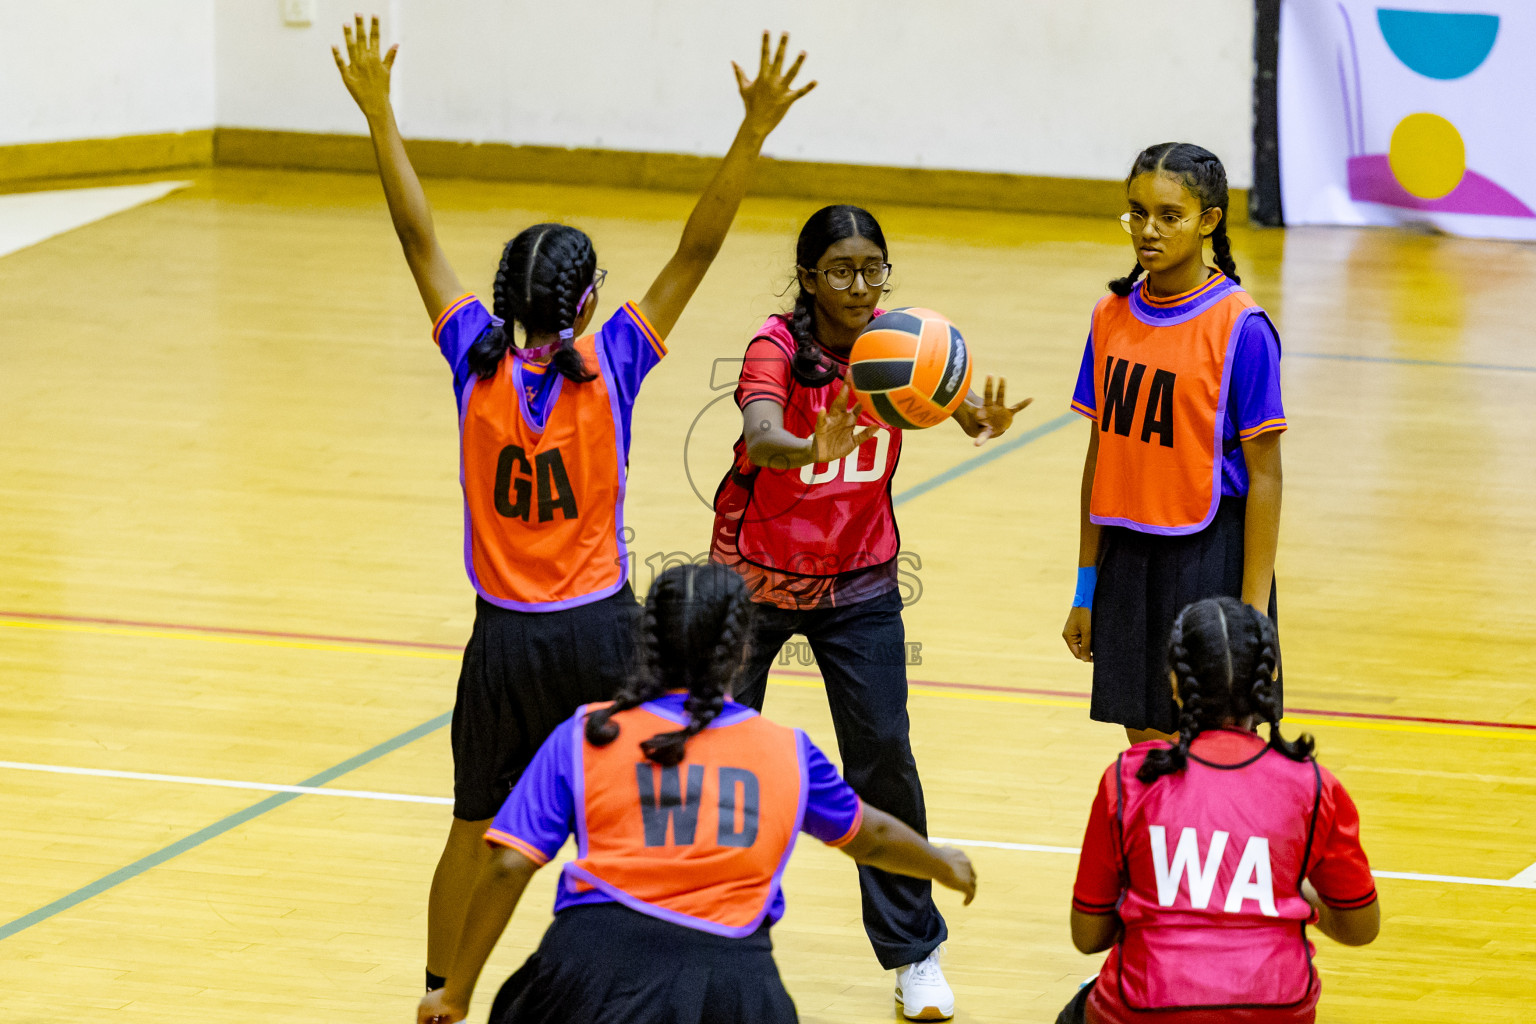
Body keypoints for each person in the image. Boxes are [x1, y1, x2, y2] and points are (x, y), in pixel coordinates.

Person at [331, 16, 817, 993]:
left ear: (506, 296)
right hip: (599, 635)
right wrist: (752, 132)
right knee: (631, 804)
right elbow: (697, 249)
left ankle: (439, 991)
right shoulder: (613, 363)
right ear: (589, 304)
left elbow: (416, 235)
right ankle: (642, 977)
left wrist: (379, 112)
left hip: (503, 638)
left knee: (474, 827)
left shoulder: (474, 360)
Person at [709, 204, 1028, 1020]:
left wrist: (977, 421)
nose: (860, 285)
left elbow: (952, 406)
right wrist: (807, 449)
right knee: (714, 754)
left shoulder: (902, 340)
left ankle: (915, 954)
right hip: (754, 577)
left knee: (884, 755)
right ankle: (704, 930)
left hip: (859, 580)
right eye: (842, 271)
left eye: (874, 268)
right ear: (809, 278)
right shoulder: (775, 348)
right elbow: (763, 431)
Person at [416, 564, 978, 1024]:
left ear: (646, 643)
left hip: (589, 967)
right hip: (730, 985)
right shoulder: (784, 749)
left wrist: (455, 993)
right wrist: (942, 863)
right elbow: (872, 835)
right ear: (741, 654)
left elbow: (509, 865)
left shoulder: (587, 732)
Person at [1058, 597, 1380, 1024]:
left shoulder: (1130, 776)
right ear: (1267, 682)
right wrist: (1292, 891)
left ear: (1175, 682)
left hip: (1149, 1007)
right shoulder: (1313, 784)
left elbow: (1088, 936)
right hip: (1276, 1009)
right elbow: (1361, 928)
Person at [1061, 142, 1287, 745]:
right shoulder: (1109, 317)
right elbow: (1098, 456)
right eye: (1137, 213)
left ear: (1209, 221)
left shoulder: (1243, 328)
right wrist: (1086, 586)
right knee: (1147, 753)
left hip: (1208, 555)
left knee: (1218, 752)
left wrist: (1253, 615)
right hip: (1128, 560)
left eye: (1169, 215)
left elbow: (1266, 476)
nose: (1148, 230)